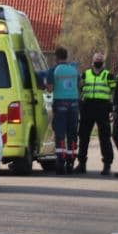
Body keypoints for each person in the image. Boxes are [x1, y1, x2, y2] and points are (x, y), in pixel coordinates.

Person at [76, 51, 114, 175]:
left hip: (102, 108)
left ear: (103, 62)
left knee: (105, 137)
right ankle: (81, 164)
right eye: (96, 59)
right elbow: (79, 88)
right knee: (83, 137)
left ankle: (107, 165)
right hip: (87, 107)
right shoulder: (85, 74)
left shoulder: (108, 75)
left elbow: (115, 92)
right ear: (92, 61)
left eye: (100, 59)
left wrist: (113, 107)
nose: (98, 61)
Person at [48, 46, 80, 174]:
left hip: (60, 103)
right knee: (72, 134)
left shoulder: (54, 70)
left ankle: (60, 163)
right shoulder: (74, 70)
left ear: (56, 57)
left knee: (60, 134)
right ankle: (71, 162)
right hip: (74, 104)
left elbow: (50, 88)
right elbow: (80, 84)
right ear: (66, 57)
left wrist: (46, 84)